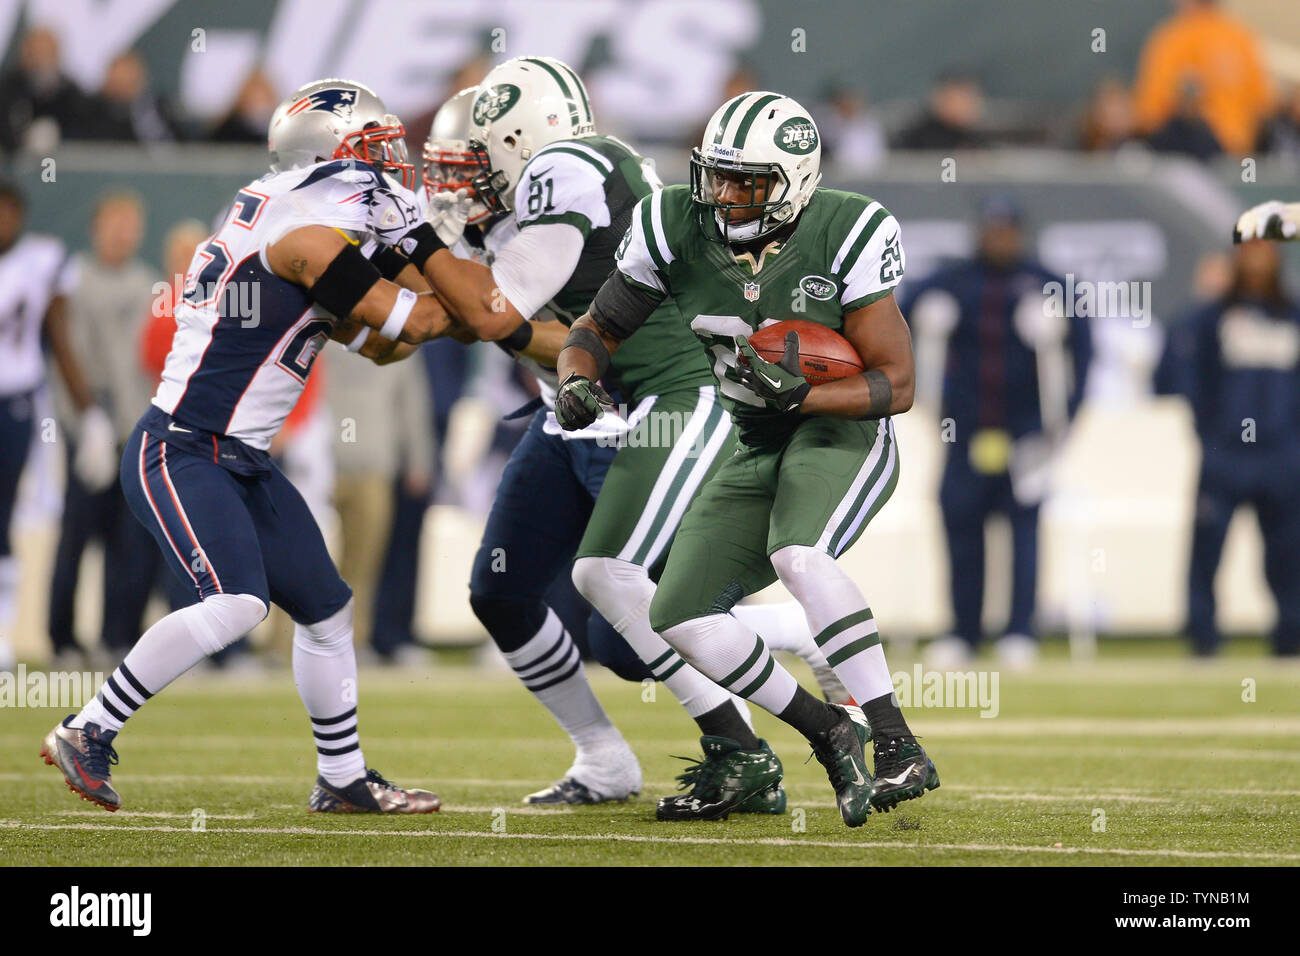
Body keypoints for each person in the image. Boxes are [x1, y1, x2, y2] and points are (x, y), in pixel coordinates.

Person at [414, 66, 844, 814]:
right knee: (504, 595)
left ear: (524, 142)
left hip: (663, 404)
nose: (466, 184)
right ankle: (605, 760)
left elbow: (492, 314)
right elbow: (520, 330)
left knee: (624, 605)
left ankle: (757, 716)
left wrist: (401, 255)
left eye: (477, 162)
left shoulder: (571, 168)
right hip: (579, 412)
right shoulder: (525, 211)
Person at [39, 78, 452, 814]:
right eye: (372, 152)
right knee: (236, 603)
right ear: (325, 157)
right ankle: (88, 726)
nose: (389, 170)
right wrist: (454, 276)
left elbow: (383, 346)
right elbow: (413, 324)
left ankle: (342, 776)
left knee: (325, 609)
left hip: (244, 459)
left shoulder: (294, 221)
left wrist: (433, 286)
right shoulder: (308, 237)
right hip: (183, 446)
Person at [555, 90, 938, 825]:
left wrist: (806, 397)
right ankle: (827, 732)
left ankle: (895, 740)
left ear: (793, 181)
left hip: (839, 434)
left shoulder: (847, 229)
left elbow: (898, 383)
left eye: (748, 181)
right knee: (678, 613)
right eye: (717, 176)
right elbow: (597, 326)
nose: (725, 195)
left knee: (798, 555)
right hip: (754, 437)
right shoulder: (673, 222)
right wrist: (577, 377)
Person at [902, 197, 1091, 670]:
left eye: (1006, 231)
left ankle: (1020, 631)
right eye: (991, 230)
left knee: (1024, 533)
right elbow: (900, 315)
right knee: (961, 532)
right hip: (963, 434)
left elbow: (1082, 358)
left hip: (1026, 433)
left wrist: (1059, 428)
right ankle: (963, 632)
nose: (998, 239)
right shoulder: (951, 282)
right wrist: (921, 312)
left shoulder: (1048, 285)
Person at [1157, 240, 1300, 657]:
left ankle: (1290, 635)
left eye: (1265, 253)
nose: (1256, 262)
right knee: (1207, 546)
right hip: (1226, 454)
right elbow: (1175, 374)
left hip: (1281, 455)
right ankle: (1203, 637)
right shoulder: (1209, 317)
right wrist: (1210, 432)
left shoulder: (1291, 316)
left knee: (1288, 550)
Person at [48, 191, 162, 665]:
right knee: (76, 538)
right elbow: (67, 354)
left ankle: (120, 636)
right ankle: (64, 640)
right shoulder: (74, 280)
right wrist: (86, 421)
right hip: (87, 428)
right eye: (113, 223)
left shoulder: (149, 284)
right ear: (96, 228)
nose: (121, 233)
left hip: (134, 429)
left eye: (129, 224)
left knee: (132, 542)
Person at [0, 182, 103, 671]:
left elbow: (61, 341)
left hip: (16, 401)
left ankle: (1, 629)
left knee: (4, 517)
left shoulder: (42, 259)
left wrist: (88, 412)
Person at [1132, 0, 1272, 156]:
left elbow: (1149, 114)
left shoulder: (1172, 39)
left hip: (1191, 158)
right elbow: (1262, 107)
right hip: (1236, 155)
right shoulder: (1240, 36)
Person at [896, 71, 987, 150]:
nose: (962, 106)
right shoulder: (919, 138)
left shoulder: (975, 137)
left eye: (967, 99)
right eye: (955, 100)